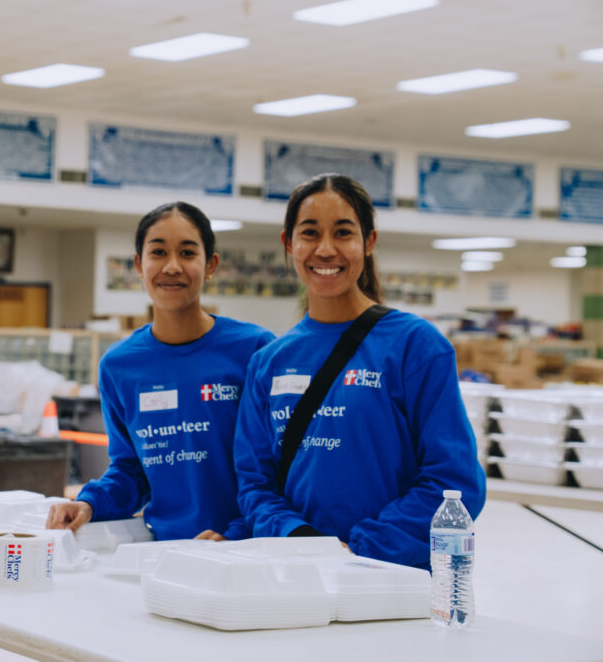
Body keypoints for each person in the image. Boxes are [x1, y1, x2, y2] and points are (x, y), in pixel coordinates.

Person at [233, 173, 486, 569]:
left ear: (368, 243)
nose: (326, 249)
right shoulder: (269, 362)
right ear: (288, 244)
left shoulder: (415, 346)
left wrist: (361, 550)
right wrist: (300, 539)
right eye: (310, 233)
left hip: (391, 578)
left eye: (344, 233)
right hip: (297, 576)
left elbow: (454, 481)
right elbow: (254, 484)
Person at [46, 201, 275, 541]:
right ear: (139, 264)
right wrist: (89, 504)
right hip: (164, 551)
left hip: (247, 547)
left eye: (186, 253)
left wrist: (239, 535)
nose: (171, 267)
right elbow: (130, 471)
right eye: (158, 253)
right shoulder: (119, 365)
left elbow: (277, 466)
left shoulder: (254, 349)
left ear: (210, 264)